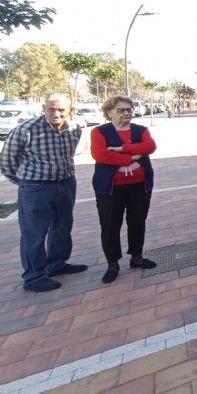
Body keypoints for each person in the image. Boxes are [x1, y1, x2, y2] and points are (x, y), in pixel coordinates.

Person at [0, 93, 86, 292]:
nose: (56, 113)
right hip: (36, 188)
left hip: (65, 184)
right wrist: (24, 182)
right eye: (51, 109)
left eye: (61, 110)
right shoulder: (25, 130)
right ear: (44, 108)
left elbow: (69, 154)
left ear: (70, 110)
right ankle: (33, 277)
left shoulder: (74, 128)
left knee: (62, 227)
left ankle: (56, 264)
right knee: (34, 233)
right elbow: (7, 162)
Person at [91, 96, 158, 284]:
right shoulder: (99, 132)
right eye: (122, 110)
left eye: (129, 109)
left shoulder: (140, 130)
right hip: (110, 189)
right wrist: (132, 157)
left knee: (137, 221)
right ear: (109, 112)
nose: (127, 113)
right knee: (110, 224)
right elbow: (100, 154)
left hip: (139, 185)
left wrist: (121, 148)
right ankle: (112, 263)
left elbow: (150, 146)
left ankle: (136, 257)